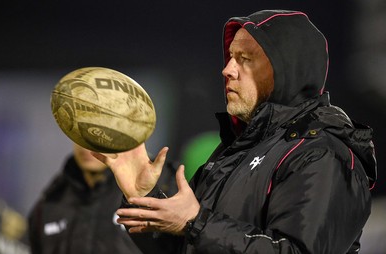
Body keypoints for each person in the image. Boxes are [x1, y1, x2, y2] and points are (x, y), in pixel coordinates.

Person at [93, 9, 377, 253]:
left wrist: (195, 222)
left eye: (245, 59)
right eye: (230, 57)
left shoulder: (323, 155)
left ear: (286, 70)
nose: (227, 69)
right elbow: (190, 245)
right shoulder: (237, 151)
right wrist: (148, 199)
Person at [27, 143, 177, 254]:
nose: (86, 147)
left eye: (95, 136)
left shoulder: (154, 189)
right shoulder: (50, 201)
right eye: (80, 137)